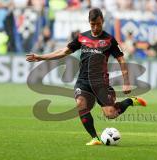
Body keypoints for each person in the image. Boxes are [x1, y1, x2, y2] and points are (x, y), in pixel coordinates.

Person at [26, 8, 147, 146]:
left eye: (99, 24)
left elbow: (121, 60)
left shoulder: (109, 40)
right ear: (89, 23)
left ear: (103, 21)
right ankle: (95, 138)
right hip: (83, 81)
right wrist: (41, 57)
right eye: (92, 24)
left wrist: (126, 82)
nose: (96, 27)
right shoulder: (81, 38)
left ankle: (130, 101)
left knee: (110, 114)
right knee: (80, 105)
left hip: (101, 83)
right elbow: (63, 51)